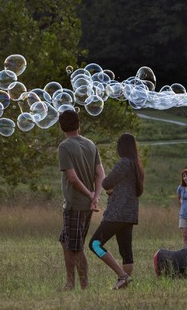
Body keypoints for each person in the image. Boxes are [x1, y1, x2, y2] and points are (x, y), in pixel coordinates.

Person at [89, 133, 144, 290]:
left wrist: (109, 187)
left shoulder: (124, 163)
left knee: (95, 244)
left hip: (117, 214)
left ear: (122, 147)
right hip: (129, 215)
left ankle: (122, 276)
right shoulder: (136, 165)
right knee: (126, 251)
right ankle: (124, 286)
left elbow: (106, 183)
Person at [57, 110, 105, 291]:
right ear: (79, 125)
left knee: (76, 248)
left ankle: (83, 286)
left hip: (75, 205)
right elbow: (100, 173)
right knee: (65, 241)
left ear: (62, 127)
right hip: (85, 205)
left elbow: (72, 178)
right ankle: (70, 282)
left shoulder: (64, 147)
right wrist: (95, 196)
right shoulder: (91, 144)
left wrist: (91, 196)